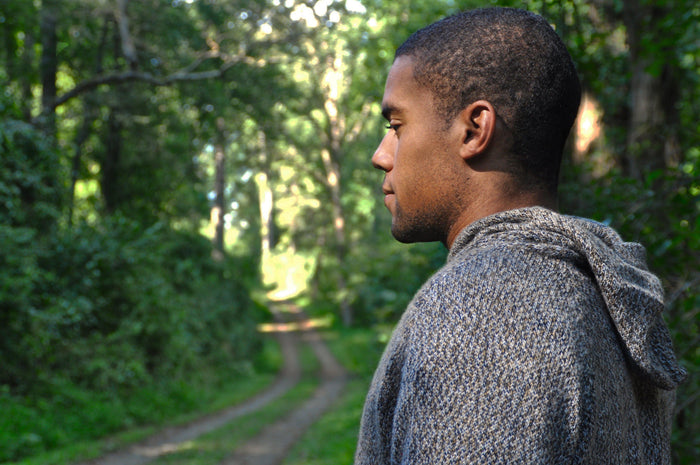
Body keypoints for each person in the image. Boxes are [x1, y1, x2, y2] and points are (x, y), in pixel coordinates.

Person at [355, 7, 686, 465]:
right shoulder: (601, 290)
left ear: (474, 130)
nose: (381, 155)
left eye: (396, 127)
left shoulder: (482, 312)